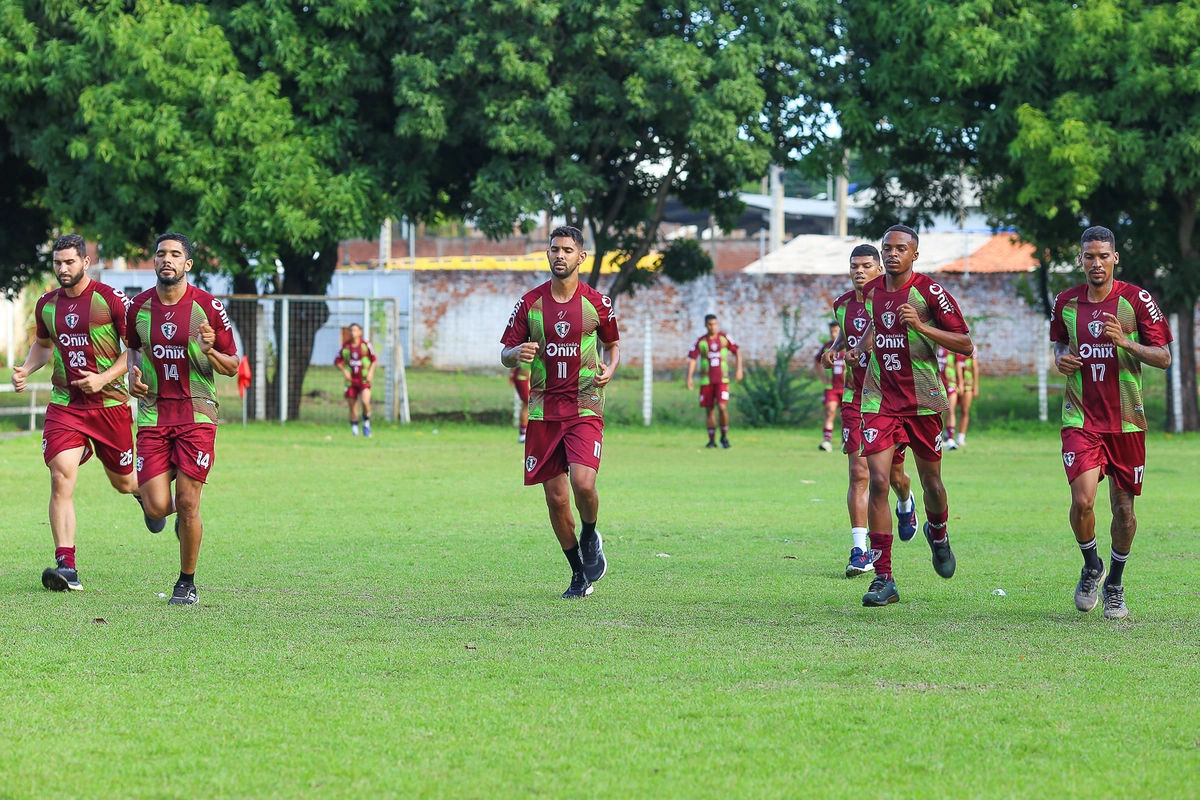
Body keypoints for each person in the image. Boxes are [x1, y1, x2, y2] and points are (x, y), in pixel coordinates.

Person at [11, 234, 157, 592]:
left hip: (109, 408)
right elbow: (44, 347)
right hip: (66, 406)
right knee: (61, 476)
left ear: (85, 262)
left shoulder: (110, 301)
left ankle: (143, 496)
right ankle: (67, 566)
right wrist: (25, 370)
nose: (62, 268)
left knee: (123, 482)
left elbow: (135, 349)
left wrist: (105, 377)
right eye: (58, 263)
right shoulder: (46, 305)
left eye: (69, 262)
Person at [1051, 225, 1171, 619]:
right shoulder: (1066, 302)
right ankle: (1091, 568)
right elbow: (1059, 342)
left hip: (1127, 422)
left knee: (1124, 511)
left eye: (1103, 256)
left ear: (1115, 258)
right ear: (1081, 259)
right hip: (1080, 418)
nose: (1096, 263)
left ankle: (1115, 583)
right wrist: (1060, 359)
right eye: (1089, 256)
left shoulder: (1137, 300)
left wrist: (1126, 343)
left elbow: (1163, 357)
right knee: (1082, 500)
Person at [852, 225, 974, 607]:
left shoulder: (929, 292)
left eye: (900, 249)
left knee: (932, 484)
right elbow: (875, 325)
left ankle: (937, 532)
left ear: (914, 255)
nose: (891, 254)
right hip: (879, 400)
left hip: (922, 401)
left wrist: (921, 326)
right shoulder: (870, 292)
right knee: (878, 481)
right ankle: (883, 577)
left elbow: (966, 344)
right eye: (887, 248)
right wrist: (859, 346)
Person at [500, 226, 620, 598]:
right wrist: (515, 354)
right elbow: (504, 353)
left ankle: (590, 533)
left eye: (567, 250)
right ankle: (578, 575)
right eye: (555, 249)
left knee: (583, 484)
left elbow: (612, 344)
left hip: (584, 405)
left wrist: (611, 368)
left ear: (581, 257)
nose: (560, 256)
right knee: (555, 498)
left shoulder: (597, 303)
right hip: (542, 412)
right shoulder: (529, 303)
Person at [125, 233, 240, 605]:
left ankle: (186, 583)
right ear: (154, 262)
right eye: (161, 254)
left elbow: (232, 367)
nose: (167, 260)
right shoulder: (137, 308)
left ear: (187, 264)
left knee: (189, 503)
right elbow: (133, 350)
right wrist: (133, 375)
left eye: (175, 254)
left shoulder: (208, 307)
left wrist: (211, 351)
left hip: (198, 412)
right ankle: (160, 505)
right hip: (154, 414)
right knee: (158, 506)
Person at [826, 244, 918, 577]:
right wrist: (834, 351)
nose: (859, 271)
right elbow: (847, 337)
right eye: (854, 266)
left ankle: (906, 502)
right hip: (855, 398)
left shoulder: (895, 302)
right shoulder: (842, 305)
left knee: (892, 476)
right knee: (859, 472)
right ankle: (859, 549)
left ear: (879, 269)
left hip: (890, 401)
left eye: (866, 265)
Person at [686, 314, 742, 448]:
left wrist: (739, 369)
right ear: (706, 325)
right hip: (707, 380)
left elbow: (737, 352)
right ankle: (711, 440)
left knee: (722, 407)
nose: (713, 327)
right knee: (709, 410)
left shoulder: (724, 338)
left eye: (715, 324)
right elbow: (693, 359)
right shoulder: (701, 341)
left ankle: (724, 437)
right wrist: (690, 377)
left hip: (722, 380)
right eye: (710, 324)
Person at [335, 323, 376, 436]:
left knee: (365, 401)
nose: (353, 333)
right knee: (353, 406)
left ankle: (366, 424)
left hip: (363, 380)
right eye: (351, 330)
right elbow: (337, 361)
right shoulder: (345, 346)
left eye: (355, 330)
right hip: (351, 381)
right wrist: (345, 371)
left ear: (360, 332)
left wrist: (370, 373)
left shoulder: (365, 345)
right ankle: (355, 430)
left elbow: (374, 359)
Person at [815, 321, 844, 451]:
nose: (833, 334)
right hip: (832, 387)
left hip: (847, 387)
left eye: (836, 331)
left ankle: (846, 441)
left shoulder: (848, 345)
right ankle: (827, 441)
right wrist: (823, 378)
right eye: (831, 331)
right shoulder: (827, 347)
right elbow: (817, 361)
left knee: (848, 416)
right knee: (830, 412)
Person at [955, 347, 980, 447]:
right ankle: (948, 436)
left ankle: (961, 437)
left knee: (965, 409)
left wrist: (976, 385)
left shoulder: (972, 348)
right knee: (949, 410)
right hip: (953, 382)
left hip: (968, 383)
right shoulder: (952, 345)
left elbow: (975, 367)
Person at [936, 345, 959, 450]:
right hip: (937, 382)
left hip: (950, 382)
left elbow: (958, 364)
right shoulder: (933, 343)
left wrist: (960, 382)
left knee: (951, 410)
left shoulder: (951, 344)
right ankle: (938, 437)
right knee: (938, 412)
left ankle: (950, 438)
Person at [510, 362, 531, 443]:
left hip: (527, 374)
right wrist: (512, 372)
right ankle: (523, 434)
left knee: (531, 404)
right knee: (529, 403)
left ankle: (526, 432)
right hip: (524, 375)